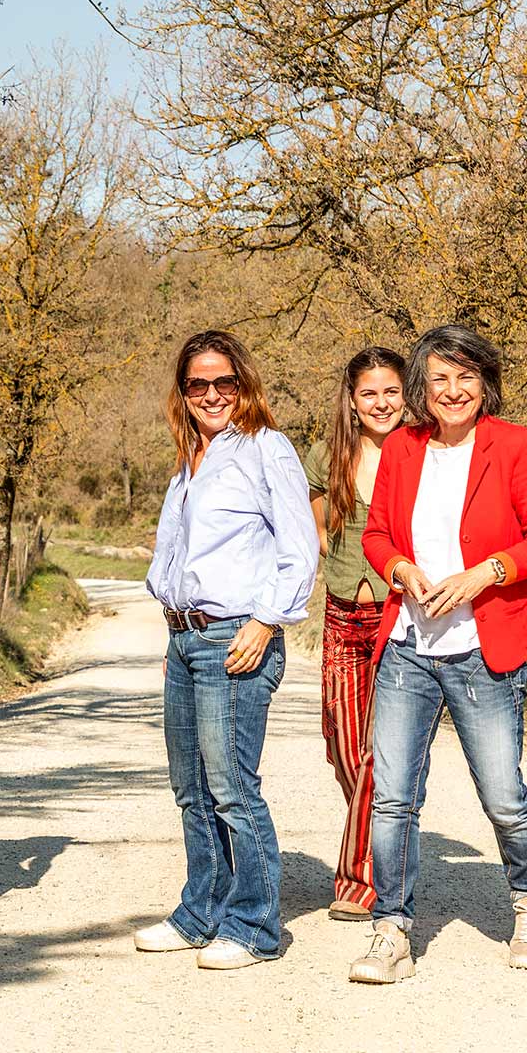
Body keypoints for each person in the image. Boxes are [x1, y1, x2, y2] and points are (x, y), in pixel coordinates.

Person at [351, 324, 527, 984]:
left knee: (502, 793)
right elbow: (377, 533)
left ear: (484, 382)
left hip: (484, 649)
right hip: (408, 649)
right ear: (422, 385)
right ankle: (392, 929)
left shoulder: (513, 444)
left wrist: (486, 572)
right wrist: (399, 568)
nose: (452, 389)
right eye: (439, 377)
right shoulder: (403, 449)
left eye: (465, 376)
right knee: (392, 797)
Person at [136, 330, 319, 970]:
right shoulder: (189, 462)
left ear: (243, 385)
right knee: (190, 789)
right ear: (182, 394)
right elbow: (172, 557)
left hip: (237, 636)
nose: (212, 395)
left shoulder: (267, 450)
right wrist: (173, 627)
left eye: (224, 383)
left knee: (232, 789)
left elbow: (300, 547)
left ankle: (254, 927)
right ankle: (200, 914)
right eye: (197, 385)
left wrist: (267, 622)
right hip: (186, 638)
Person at [301, 347, 408, 922]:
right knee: (345, 751)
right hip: (343, 616)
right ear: (352, 398)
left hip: (399, 618)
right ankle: (383, 836)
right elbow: (318, 531)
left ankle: (358, 878)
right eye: (370, 393)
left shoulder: (421, 453)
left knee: (377, 753)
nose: (381, 402)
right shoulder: (326, 456)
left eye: (390, 391)